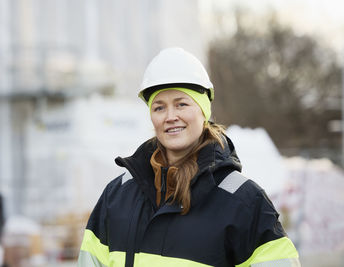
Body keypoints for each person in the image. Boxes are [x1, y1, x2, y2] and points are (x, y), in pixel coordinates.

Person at [77, 47, 300, 267]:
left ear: (203, 111)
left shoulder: (244, 202)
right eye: (159, 107)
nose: (170, 116)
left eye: (181, 104)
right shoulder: (117, 196)